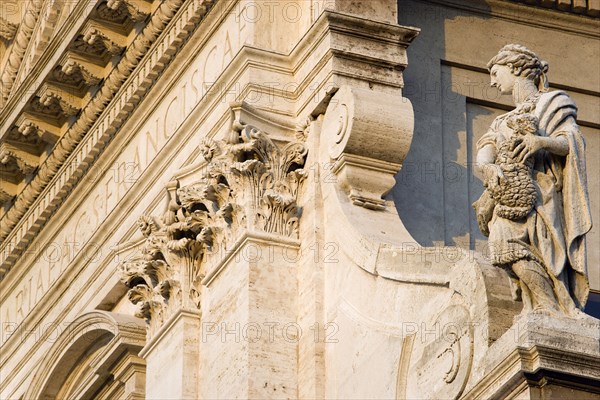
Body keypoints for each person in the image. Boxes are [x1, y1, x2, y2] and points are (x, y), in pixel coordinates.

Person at [473, 44, 592, 317]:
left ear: (514, 68)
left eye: (495, 72)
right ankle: (543, 304)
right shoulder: (502, 119)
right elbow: (485, 150)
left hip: (542, 194)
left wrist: (540, 141)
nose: (492, 81)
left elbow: (571, 141)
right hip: (507, 196)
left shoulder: (552, 103)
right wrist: (488, 167)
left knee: (548, 250)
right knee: (502, 244)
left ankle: (558, 306)